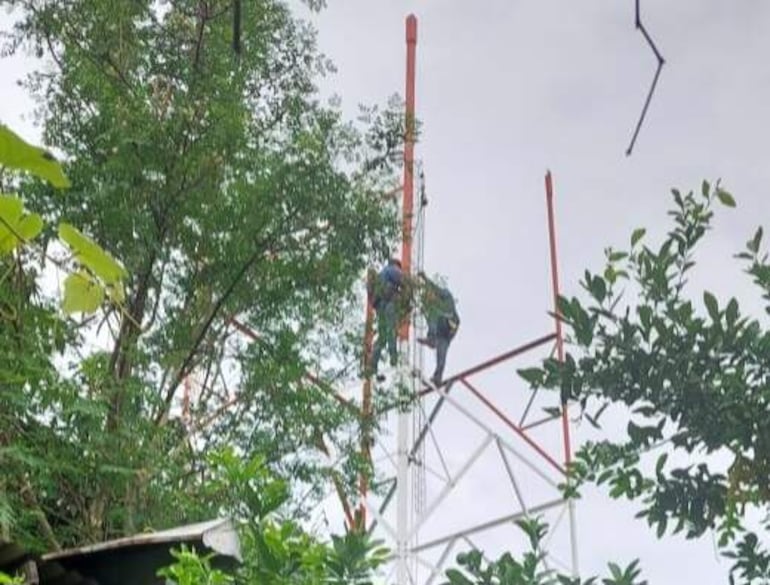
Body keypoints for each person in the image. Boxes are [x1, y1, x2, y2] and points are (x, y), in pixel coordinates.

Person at [417, 272, 459, 386]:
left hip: (450, 322)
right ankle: (437, 378)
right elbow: (430, 320)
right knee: (441, 354)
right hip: (444, 334)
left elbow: (435, 288)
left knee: (433, 312)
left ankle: (431, 338)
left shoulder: (445, 295)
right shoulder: (431, 307)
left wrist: (424, 278)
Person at [368, 258, 407, 381]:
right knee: (391, 330)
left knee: (383, 335)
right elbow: (403, 281)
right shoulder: (392, 270)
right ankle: (393, 357)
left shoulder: (380, 276)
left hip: (380, 307)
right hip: (389, 304)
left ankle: (372, 364)